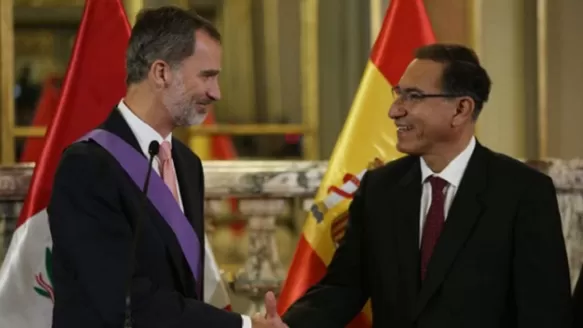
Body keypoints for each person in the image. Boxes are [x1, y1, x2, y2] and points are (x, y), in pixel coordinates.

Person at [268, 44, 574, 327]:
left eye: (413, 96)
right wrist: (285, 327)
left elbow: (545, 314)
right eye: (397, 94)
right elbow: (343, 287)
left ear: (461, 109)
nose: (395, 110)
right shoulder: (379, 188)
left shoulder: (522, 192)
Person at [48, 6, 277, 328]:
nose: (216, 93)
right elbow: (123, 301)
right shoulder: (87, 167)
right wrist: (244, 326)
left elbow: (183, 288)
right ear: (161, 73)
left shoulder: (186, 164)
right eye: (207, 76)